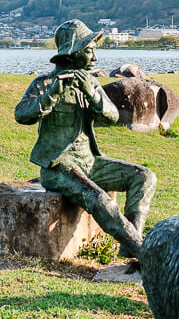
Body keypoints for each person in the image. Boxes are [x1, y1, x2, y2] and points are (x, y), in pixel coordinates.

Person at [14, 20, 156, 258]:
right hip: (59, 168)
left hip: (90, 162)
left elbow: (112, 116)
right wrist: (51, 96)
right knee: (101, 200)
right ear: (73, 51)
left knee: (144, 177)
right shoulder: (46, 83)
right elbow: (21, 114)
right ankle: (142, 251)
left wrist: (93, 94)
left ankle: (130, 244)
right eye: (90, 50)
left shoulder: (90, 83)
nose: (95, 58)